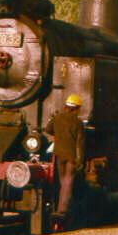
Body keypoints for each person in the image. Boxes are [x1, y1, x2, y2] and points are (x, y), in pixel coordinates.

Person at [44, 94, 85, 226]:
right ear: (77, 108)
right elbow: (80, 144)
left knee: (62, 182)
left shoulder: (57, 118)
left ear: (66, 106)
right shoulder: (78, 123)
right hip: (71, 157)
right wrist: (80, 160)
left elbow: (48, 130)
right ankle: (62, 212)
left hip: (59, 155)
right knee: (68, 183)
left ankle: (58, 208)